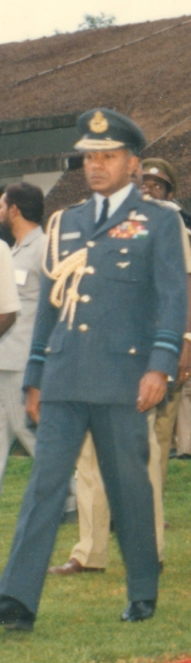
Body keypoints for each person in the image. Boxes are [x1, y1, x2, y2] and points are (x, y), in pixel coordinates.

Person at [0, 109, 188, 631]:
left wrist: (160, 367)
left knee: (129, 487)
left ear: (133, 163)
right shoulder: (67, 222)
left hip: (122, 378)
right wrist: (36, 374)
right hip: (63, 376)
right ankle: (16, 597)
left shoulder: (161, 221)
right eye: (89, 157)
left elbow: (174, 301)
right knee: (44, 486)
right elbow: (51, 309)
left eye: (107, 156)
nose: (96, 166)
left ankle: (143, 589)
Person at [139, 159, 191, 464]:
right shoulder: (125, 222)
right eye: (144, 183)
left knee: (160, 432)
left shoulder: (174, 226)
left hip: (167, 340)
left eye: (158, 185)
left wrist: (190, 344)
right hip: (135, 342)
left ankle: (152, 510)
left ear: (169, 194)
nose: (149, 190)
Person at [0, 184, 38, 499]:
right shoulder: (11, 251)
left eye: (2, 205)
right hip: (6, 357)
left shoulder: (43, 248)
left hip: (24, 360)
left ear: (15, 209)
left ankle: (73, 494)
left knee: (27, 429)